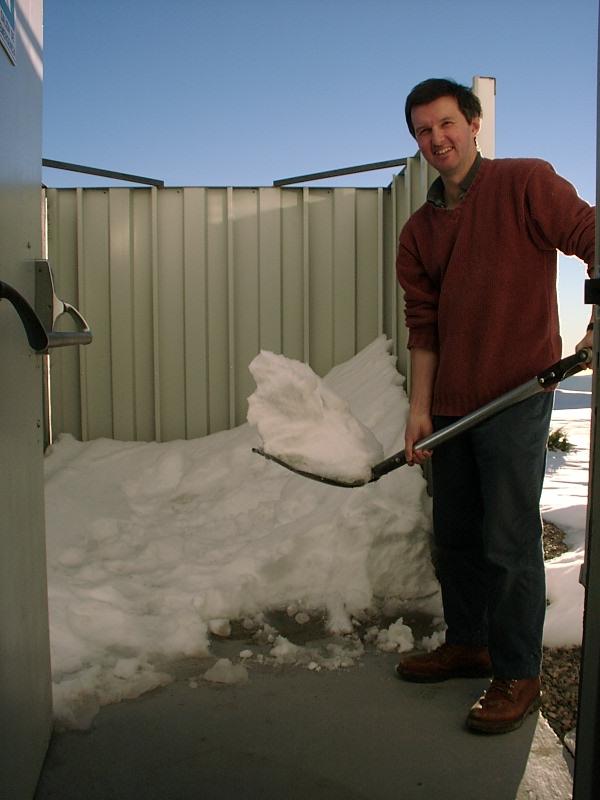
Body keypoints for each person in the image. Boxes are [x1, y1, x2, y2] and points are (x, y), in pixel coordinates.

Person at [395, 78, 595, 734]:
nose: (437, 139)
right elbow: (424, 327)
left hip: (517, 395)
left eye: (446, 123)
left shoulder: (526, 183)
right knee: (454, 538)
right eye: (423, 131)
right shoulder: (419, 232)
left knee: (508, 542)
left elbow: (592, 234)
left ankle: (518, 674)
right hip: (451, 408)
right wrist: (420, 410)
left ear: (474, 123)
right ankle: (470, 643)